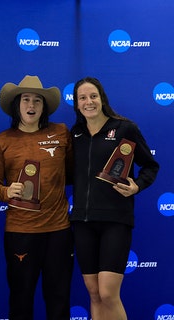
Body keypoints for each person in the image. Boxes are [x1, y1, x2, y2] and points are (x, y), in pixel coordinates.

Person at [70, 77, 158, 320]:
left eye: (93, 96)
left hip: (115, 220)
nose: (89, 102)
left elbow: (150, 166)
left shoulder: (124, 129)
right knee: (94, 293)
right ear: (77, 104)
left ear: (102, 99)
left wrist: (137, 186)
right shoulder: (75, 134)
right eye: (83, 98)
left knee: (108, 293)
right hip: (82, 222)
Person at [0, 75, 73, 320]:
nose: (31, 105)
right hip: (20, 233)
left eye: (37, 100)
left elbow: (71, 173)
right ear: (17, 104)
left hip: (59, 230)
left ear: (44, 106)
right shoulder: (0, 142)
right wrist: (6, 192)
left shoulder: (61, 133)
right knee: (21, 298)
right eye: (26, 99)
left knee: (59, 297)